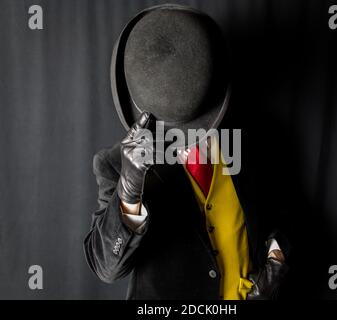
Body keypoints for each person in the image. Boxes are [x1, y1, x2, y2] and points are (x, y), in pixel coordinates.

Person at [84, 4, 289, 300]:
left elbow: (283, 215)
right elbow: (106, 268)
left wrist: (275, 264)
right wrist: (128, 193)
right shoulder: (115, 165)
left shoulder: (251, 140)